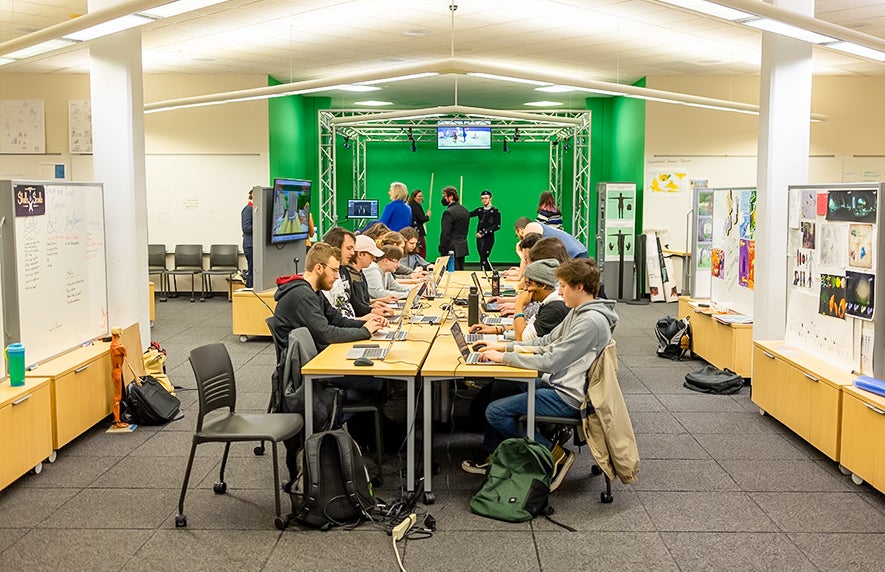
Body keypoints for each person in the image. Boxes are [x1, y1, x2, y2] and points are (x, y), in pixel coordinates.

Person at [464, 258, 618, 492]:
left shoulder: (590, 321)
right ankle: (494, 453)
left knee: (495, 412)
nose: (559, 291)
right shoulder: (580, 312)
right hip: (560, 381)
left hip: (569, 396)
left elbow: (550, 360)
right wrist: (503, 348)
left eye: (563, 286)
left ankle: (555, 454)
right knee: (504, 385)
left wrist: (503, 358)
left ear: (579, 287)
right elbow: (546, 342)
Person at [272, 242, 385, 355]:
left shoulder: (314, 291)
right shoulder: (302, 295)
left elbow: (337, 319)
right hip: (308, 363)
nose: (337, 276)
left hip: (315, 353)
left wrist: (367, 324)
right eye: (334, 270)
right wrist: (364, 332)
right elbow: (325, 334)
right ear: (319, 268)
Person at [470, 258, 568, 342]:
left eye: (528, 284)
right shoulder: (548, 303)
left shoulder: (554, 309)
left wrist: (519, 305)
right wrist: (497, 329)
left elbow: (521, 339)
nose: (524, 288)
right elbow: (527, 327)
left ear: (543, 285)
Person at [322, 226, 392, 319]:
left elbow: (350, 305)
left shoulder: (344, 272)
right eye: (349, 248)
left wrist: (370, 311)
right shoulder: (326, 279)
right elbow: (334, 320)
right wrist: (367, 316)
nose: (352, 253)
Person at [515, 217, 589, 259]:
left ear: (520, 231)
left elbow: (529, 258)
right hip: (578, 252)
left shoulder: (530, 228)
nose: (519, 238)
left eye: (517, 235)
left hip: (574, 256)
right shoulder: (538, 228)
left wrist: (519, 251)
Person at [438, 186, 470, 270]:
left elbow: (445, 232)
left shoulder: (448, 212)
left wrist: (442, 247)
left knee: (450, 273)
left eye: (444, 196)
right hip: (462, 246)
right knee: (460, 272)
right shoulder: (465, 210)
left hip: (451, 248)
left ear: (451, 197)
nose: (443, 198)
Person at [469, 190, 501, 271]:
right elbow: (469, 214)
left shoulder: (495, 211)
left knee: (484, 257)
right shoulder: (480, 210)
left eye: (486, 198)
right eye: (482, 198)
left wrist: (483, 233)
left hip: (488, 237)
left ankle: (485, 273)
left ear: (490, 198)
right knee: (482, 257)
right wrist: (461, 210)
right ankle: (489, 273)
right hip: (479, 238)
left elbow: (497, 226)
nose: (484, 200)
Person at [109, 326, 130, 429]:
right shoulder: (118, 347)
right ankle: (117, 421)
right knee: (118, 396)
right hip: (117, 371)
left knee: (118, 396)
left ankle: (117, 419)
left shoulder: (113, 345)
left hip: (116, 370)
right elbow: (124, 353)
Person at [408, 189, 431, 258]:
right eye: (419, 196)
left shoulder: (412, 205)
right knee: (421, 251)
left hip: (414, 232)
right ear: (414, 197)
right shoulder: (415, 206)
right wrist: (427, 216)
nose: (421, 198)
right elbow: (421, 219)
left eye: (422, 196)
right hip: (417, 233)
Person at [241, 189, 254, 288]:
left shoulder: (255, 209)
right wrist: (258, 225)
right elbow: (246, 228)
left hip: (256, 244)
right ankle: (249, 290)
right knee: (252, 271)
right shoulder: (247, 209)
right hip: (250, 245)